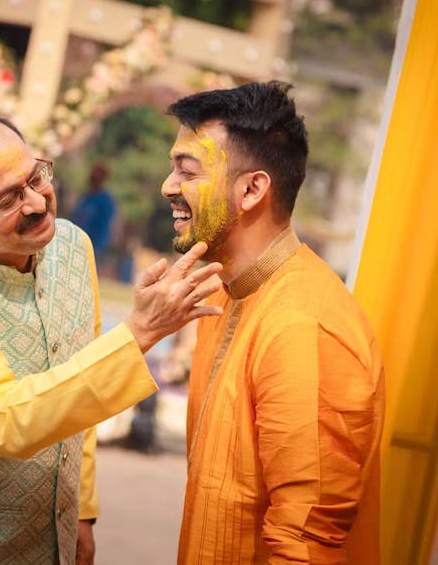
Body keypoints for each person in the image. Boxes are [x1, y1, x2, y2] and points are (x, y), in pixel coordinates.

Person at [0, 111, 223, 565]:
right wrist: (140, 332)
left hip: (46, 542)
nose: (36, 203)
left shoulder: (72, 247)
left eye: (35, 177)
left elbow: (80, 393)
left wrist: (82, 513)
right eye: (6, 200)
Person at [162, 81, 385, 564]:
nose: (168, 187)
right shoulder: (225, 292)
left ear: (251, 189)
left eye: (187, 171)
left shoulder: (303, 325)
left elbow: (306, 543)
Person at [70, 163, 116, 268]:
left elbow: (104, 226)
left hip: (93, 247)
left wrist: (97, 247)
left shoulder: (105, 200)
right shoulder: (85, 197)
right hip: (76, 243)